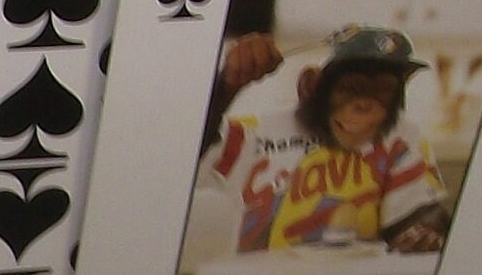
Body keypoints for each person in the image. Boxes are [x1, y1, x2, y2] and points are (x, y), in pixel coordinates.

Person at [192, 25, 455, 260]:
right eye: (352, 88)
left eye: (383, 91)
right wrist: (225, 87)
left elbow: (417, 213)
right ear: (311, 86)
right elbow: (186, 156)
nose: (364, 106)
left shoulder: (401, 138)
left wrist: (427, 230)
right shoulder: (258, 133)